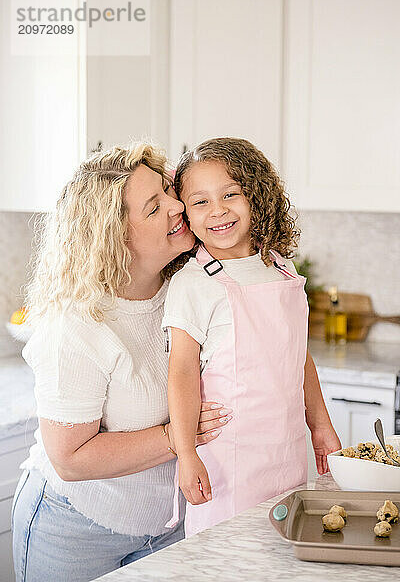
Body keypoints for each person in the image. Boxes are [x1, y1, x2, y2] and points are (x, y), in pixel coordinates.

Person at [11, 142, 231, 582]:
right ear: (113, 237)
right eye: (154, 207)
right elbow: (70, 459)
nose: (177, 206)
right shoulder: (76, 323)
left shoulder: (188, 288)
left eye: (168, 190)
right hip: (74, 531)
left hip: (167, 525)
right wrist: (178, 436)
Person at [162, 137, 341, 537]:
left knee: (280, 554)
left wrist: (321, 424)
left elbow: (298, 356)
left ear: (257, 197)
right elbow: (182, 373)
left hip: (287, 451)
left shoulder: (281, 267)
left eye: (231, 194)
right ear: (185, 215)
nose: (218, 210)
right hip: (228, 460)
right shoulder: (192, 284)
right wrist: (186, 452)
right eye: (200, 201)